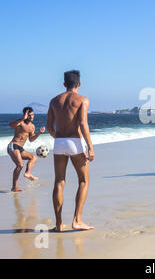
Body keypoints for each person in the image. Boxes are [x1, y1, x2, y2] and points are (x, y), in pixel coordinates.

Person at [46, 70, 95, 232]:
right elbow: (82, 124)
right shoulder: (82, 100)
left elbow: (48, 127)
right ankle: (77, 220)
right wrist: (90, 146)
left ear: (64, 84)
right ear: (79, 84)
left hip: (59, 142)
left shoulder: (54, 101)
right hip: (75, 142)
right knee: (83, 181)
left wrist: (58, 138)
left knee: (59, 181)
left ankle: (59, 224)